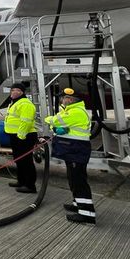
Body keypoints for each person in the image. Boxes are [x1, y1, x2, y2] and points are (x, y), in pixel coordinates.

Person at [44, 88, 96, 224]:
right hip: (73, 149)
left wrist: (50, 120)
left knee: (79, 181)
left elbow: (54, 121)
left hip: (76, 150)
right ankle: (78, 204)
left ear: (70, 99)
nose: (61, 100)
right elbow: (57, 126)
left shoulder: (75, 112)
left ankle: (87, 214)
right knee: (73, 179)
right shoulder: (71, 111)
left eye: (63, 98)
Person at [4, 82, 38, 193]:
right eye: (12, 90)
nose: (12, 92)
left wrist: (20, 136)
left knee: (26, 161)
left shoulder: (25, 104)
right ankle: (21, 181)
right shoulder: (14, 103)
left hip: (24, 136)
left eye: (15, 90)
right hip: (16, 135)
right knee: (19, 160)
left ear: (21, 92)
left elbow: (26, 122)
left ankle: (30, 185)